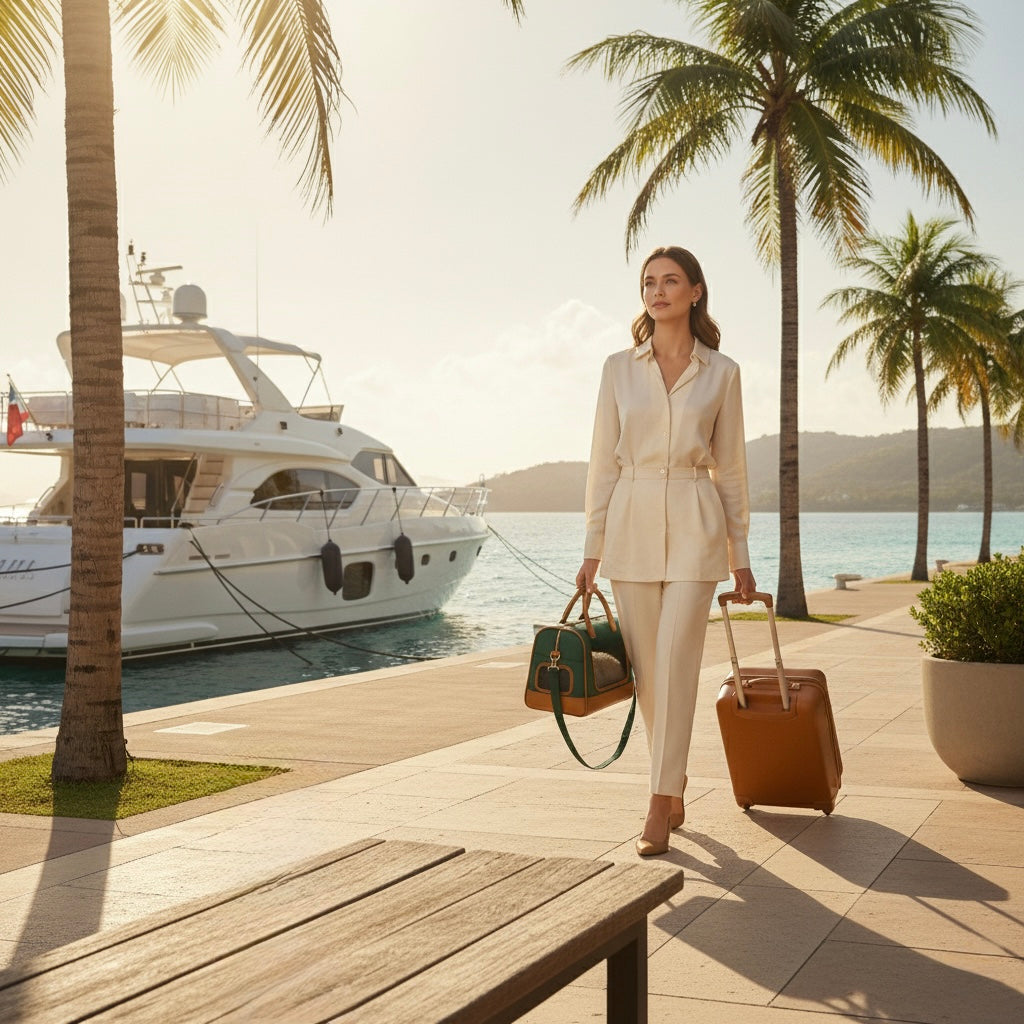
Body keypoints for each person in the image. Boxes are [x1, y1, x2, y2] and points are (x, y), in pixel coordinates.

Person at [576, 245, 756, 857]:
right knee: (650, 674)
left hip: (696, 523)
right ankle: (671, 784)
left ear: (695, 292)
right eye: (649, 282)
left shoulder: (723, 373)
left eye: (670, 281)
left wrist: (742, 555)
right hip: (629, 524)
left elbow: (730, 469)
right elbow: (603, 464)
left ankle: (657, 801)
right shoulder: (617, 369)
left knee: (677, 662)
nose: (657, 291)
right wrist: (591, 549)